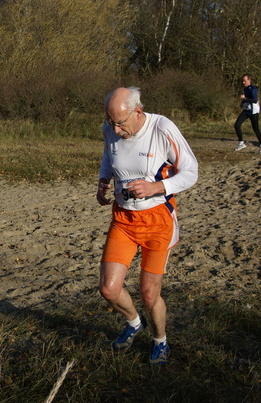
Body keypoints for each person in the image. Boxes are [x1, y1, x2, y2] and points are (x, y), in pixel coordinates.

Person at [96, 87, 198, 365]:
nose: (115, 130)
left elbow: (191, 171)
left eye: (120, 123)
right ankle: (133, 323)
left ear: (137, 112)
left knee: (149, 294)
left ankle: (160, 341)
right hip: (123, 219)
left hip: (157, 221)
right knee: (109, 289)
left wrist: (157, 187)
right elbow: (109, 155)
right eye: (110, 122)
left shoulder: (162, 128)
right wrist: (104, 178)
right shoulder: (110, 129)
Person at [234, 74, 261, 154]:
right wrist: (242, 102)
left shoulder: (253, 89)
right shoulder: (245, 88)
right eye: (243, 81)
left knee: (256, 129)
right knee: (237, 125)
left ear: (249, 80)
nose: (243, 82)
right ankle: (241, 143)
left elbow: (254, 100)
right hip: (246, 110)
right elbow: (246, 98)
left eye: (245, 81)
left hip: (253, 111)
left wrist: (244, 99)